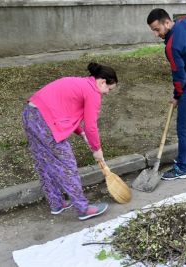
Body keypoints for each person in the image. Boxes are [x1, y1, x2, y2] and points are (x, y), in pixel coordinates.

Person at [22, 62, 117, 220]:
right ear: (102, 82)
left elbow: (63, 109)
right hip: (45, 123)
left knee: (44, 163)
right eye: (109, 88)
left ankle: (56, 203)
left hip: (30, 115)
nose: (107, 93)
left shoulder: (80, 83)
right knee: (68, 165)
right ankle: (83, 208)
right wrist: (96, 149)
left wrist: (81, 133)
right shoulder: (93, 91)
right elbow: (91, 125)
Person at [147, 8, 186, 180]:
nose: (156, 34)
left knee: (185, 126)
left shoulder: (171, 46)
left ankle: (182, 168)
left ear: (167, 23)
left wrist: (177, 96)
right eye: (153, 30)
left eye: (157, 29)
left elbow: (179, 75)